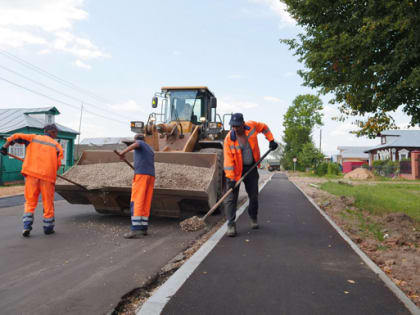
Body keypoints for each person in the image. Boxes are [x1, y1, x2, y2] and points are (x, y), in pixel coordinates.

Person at [0, 124, 63, 237]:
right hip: (47, 178)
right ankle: (48, 228)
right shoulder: (57, 146)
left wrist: (5, 147)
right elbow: (58, 164)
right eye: (56, 133)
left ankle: (26, 226)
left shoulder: (33, 138)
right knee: (48, 202)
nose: (56, 135)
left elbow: (14, 136)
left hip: (31, 175)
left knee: (30, 201)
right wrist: (51, 169)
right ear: (52, 132)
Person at [223, 113, 278, 237]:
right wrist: (231, 178)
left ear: (243, 124)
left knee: (253, 196)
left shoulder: (252, 126)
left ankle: (253, 218)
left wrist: (271, 140)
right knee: (231, 199)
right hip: (236, 172)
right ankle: (231, 225)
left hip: (251, 168)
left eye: (237, 126)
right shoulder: (229, 139)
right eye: (233, 126)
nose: (235, 129)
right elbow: (228, 161)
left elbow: (264, 127)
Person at [117, 133, 155, 239]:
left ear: (135, 140)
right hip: (150, 176)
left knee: (137, 200)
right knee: (145, 201)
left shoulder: (139, 143)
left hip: (141, 176)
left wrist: (123, 152)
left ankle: (135, 229)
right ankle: (143, 228)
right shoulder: (149, 149)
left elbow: (136, 145)